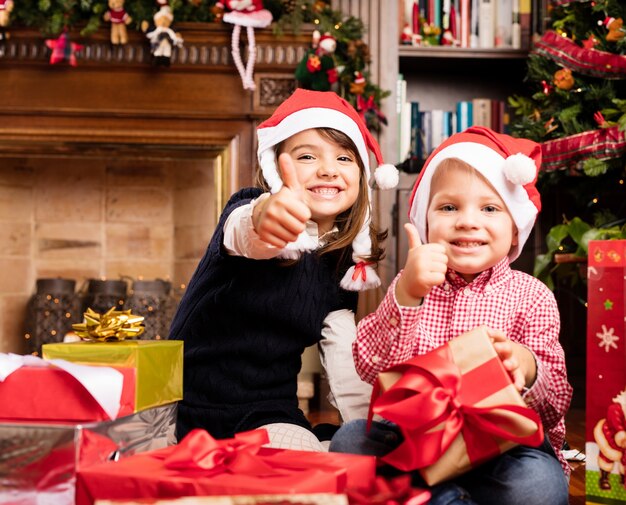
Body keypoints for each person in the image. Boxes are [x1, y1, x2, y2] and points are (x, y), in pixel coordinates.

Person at [330, 126, 573, 505]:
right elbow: (369, 367)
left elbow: (556, 402)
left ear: (515, 230)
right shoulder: (410, 284)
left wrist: (527, 367)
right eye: (448, 207)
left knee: (539, 483)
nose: (467, 221)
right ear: (426, 222)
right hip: (416, 440)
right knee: (348, 441)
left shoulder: (531, 296)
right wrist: (407, 294)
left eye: (490, 208)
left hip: (502, 445)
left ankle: (439, 498)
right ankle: (445, 496)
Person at [168, 89, 399, 451]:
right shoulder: (247, 209)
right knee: (308, 467)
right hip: (194, 409)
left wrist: (371, 432)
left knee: (331, 462)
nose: (328, 169)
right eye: (307, 156)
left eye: (343, 157)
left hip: (268, 412)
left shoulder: (337, 262)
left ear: (362, 175)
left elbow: (343, 357)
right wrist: (267, 219)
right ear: (277, 168)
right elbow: (247, 231)